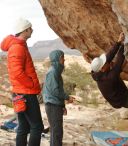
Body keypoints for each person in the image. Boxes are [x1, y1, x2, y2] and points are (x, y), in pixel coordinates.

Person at [0, 18, 44, 146]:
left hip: (21, 93)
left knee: (24, 127)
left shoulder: (19, 46)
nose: (32, 30)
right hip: (26, 93)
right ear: (25, 30)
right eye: (30, 28)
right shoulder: (17, 48)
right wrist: (33, 84)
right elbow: (17, 73)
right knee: (37, 127)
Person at [43, 50, 74, 146]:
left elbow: (57, 89)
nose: (64, 60)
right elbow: (55, 91)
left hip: (55, 105)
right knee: (56, 133)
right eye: (62, 57)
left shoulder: (55, 71)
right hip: (53, 106)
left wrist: (62, 105)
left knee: (56, 132)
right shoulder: (53, 72)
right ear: (58, 58)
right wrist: (67, 97)